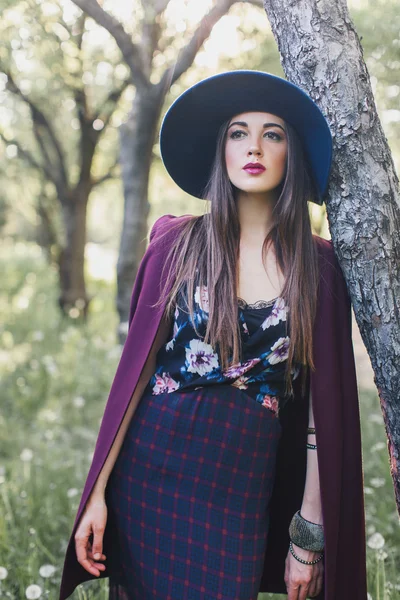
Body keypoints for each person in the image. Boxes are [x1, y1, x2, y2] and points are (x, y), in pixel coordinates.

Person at [59, 71, 367, 600]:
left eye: (273, 134)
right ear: (220, 149)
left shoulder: (321, 268)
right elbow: (134, 377)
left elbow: (323, 416)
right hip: (150, 471)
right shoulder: (177, 242)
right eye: (238, 132)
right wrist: (96, 495)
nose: (254, 146)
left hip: (241, 485)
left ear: (291, 153)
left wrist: (308, 539)